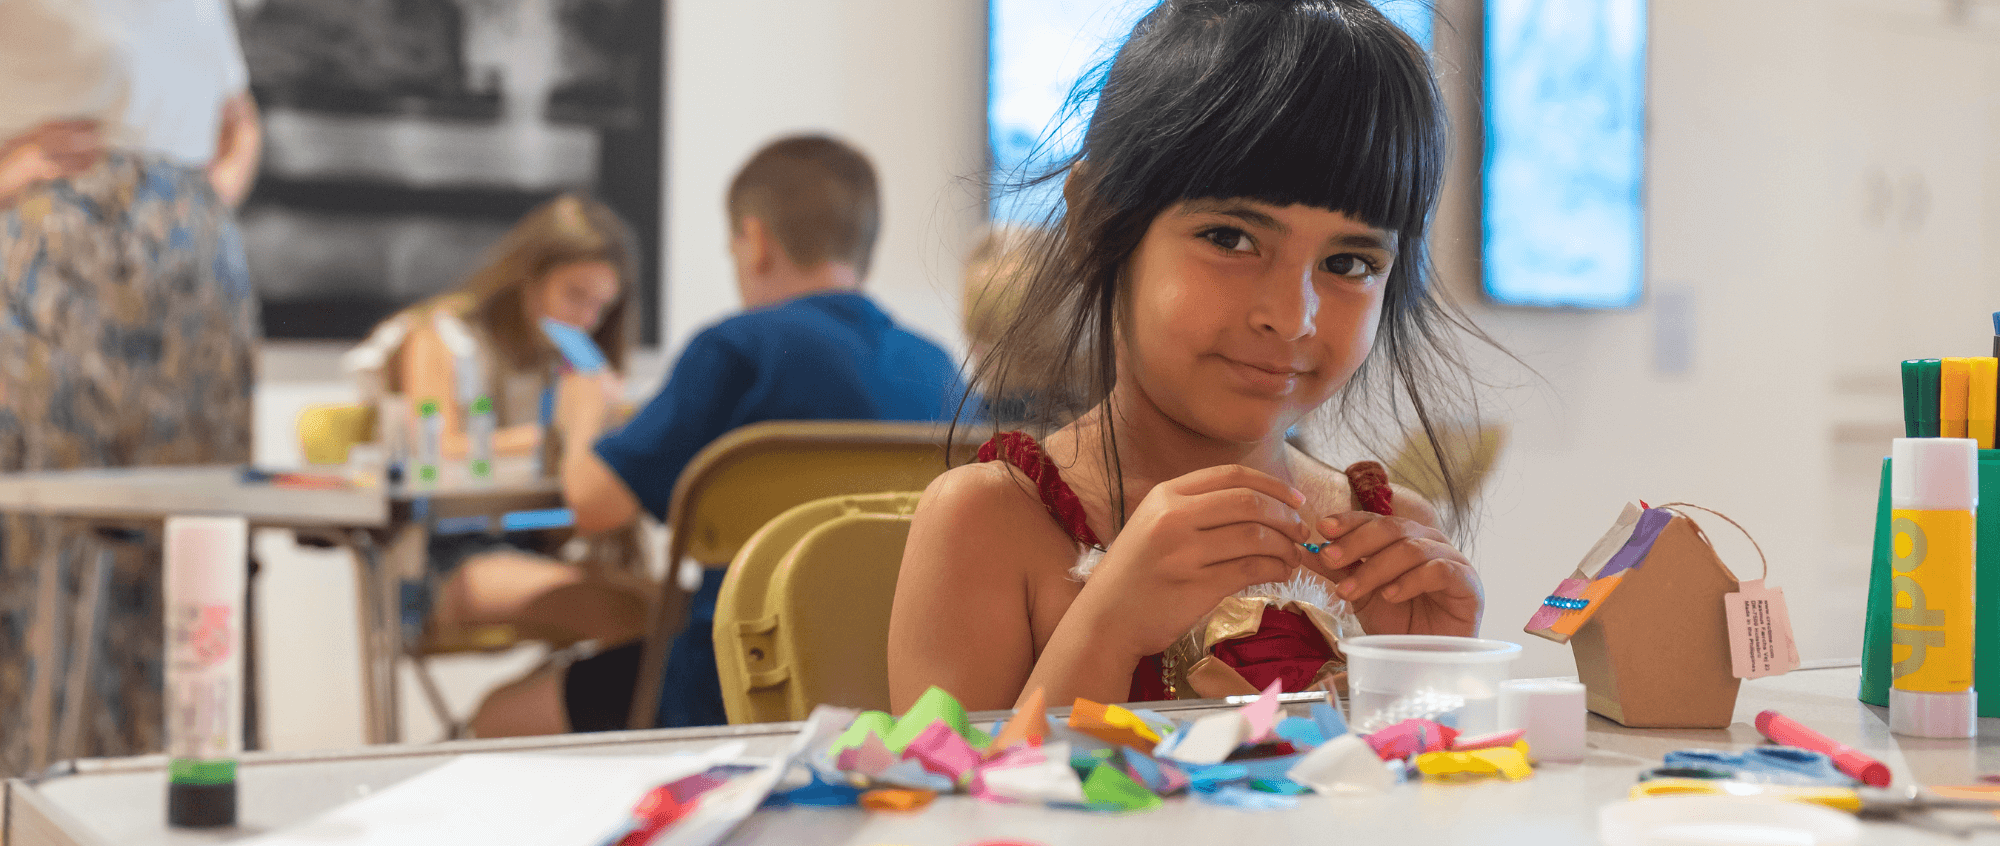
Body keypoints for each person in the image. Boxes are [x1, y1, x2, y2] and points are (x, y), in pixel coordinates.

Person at [886, 0, 1488, 713]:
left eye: (1350, 261)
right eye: (1232, 239)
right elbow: (956, 815)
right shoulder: (991, 525)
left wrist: (1427, 678)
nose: (1291, 317)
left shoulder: (1392, 536)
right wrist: (1107, 627)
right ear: (1094, 220)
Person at [468, 135, 965, 736]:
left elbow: (594, 505)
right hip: (889, 685)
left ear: (754, 242)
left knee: (496, 718)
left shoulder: (735, 350)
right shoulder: (935, 366)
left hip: (729, 682)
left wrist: (581, 421)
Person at [0, 0, 260, 775]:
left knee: (192, 547)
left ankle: (182, 788)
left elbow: (238, 121)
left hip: (193, 284)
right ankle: (29, 794)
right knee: (40, 541)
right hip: (52, 273)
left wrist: (206, 204)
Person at [344, 193, 650, 650]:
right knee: (639, 612)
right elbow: (442, 447)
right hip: (438, 564)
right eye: (575, 296)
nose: (585, 320)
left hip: (536, 546)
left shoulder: (562, 363)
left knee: (658, 606)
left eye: (600, 307)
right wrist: (563, 433)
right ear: (529, 279)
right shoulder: (439, 338)